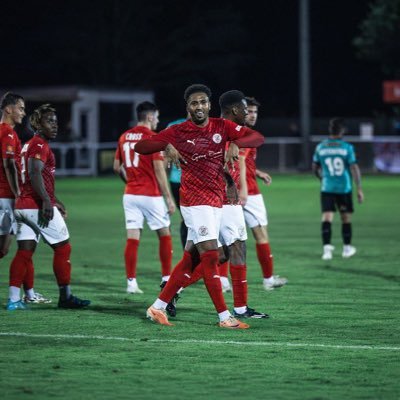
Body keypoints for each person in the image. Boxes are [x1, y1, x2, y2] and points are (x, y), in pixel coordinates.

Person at [135, 84, 265, 329]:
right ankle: (225, 317)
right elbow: (141, 147)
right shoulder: (177, 131)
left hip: (215, 200)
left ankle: (158, 306)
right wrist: (166, 145)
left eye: (203, 102)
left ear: (209, 104)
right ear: (188, 107)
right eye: (194, 103)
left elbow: (257, 137)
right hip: (195, 201)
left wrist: (237, 142)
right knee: (210, 255)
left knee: (193, 257)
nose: (199, 107)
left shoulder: (221, 126)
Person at [175, 90, 268, 319]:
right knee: (203, 255)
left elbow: (254, 140)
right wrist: (230, 183)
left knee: (232, 249)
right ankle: (169, 295)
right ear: (235, 110)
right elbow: (214, 162)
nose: (247, 113)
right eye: (245, 109)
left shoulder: (233, 132)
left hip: (226, 200)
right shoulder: (218, 130)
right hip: (216, 200)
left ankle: (241, 307)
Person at [7, 104, 90, 310]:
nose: (54, 125)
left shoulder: (28, 144)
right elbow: (35, 173)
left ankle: (13, 299)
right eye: (49, 121)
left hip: (22, 205)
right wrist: (46, 201)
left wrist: (55, 200)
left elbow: (37, 177)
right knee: (63, 247)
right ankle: (66, 297)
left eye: (55, 121)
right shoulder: (39, 144)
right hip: (35, 205)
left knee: (25, 252)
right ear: (37, 124)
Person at [113, 101, 175, 294]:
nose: (157, 120)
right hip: (151, 195)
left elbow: (117, 167)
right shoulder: (152, 137)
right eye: (156, 117)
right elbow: (158, 168)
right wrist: (169, 198)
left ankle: (131, 283)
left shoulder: (124, 136)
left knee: (133, 238)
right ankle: (166, 278)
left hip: (130, 194)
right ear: (149, 117)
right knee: (164, 234)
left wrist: (130, 182)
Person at [0, 92, 50, 305]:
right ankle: (23, 295)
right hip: (7, 198)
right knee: (4, 248)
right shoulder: (8, 134)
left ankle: (29, 293)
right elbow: (9, 165)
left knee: (25, 243)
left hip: (5, 197)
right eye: (20, 108)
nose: (23, 112)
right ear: (8, 109)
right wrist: (18, 191)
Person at [241, 97, 288, 290]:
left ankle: (222, 280)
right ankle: (268, 280)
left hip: (231, 191)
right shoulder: (247, 135)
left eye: (255, 112)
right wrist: (244, 190)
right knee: (261, 235)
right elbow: (240, 162)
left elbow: (245, 162)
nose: (252, 115)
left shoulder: (231, 131)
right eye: (249, 111)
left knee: (228, 239)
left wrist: (258, 172)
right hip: (248, 193)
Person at [312, 117, 364, 260]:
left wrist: (322, 178)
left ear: (330, 130)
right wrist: (359, 188)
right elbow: (354, 168)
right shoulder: (347, 148)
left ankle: (327, 250)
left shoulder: (321, 147)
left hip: (327, 187)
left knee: (327, 217)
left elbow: (315, 168)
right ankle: (347, 248)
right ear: (342, 131)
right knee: (345, 218)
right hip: (344, 188)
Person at [167, 117, 188, 249]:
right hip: (179, 180)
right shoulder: (173, 126)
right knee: (188, 219)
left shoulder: (210, 125)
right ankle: (190, 258)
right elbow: (164, 157)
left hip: (202, 182)